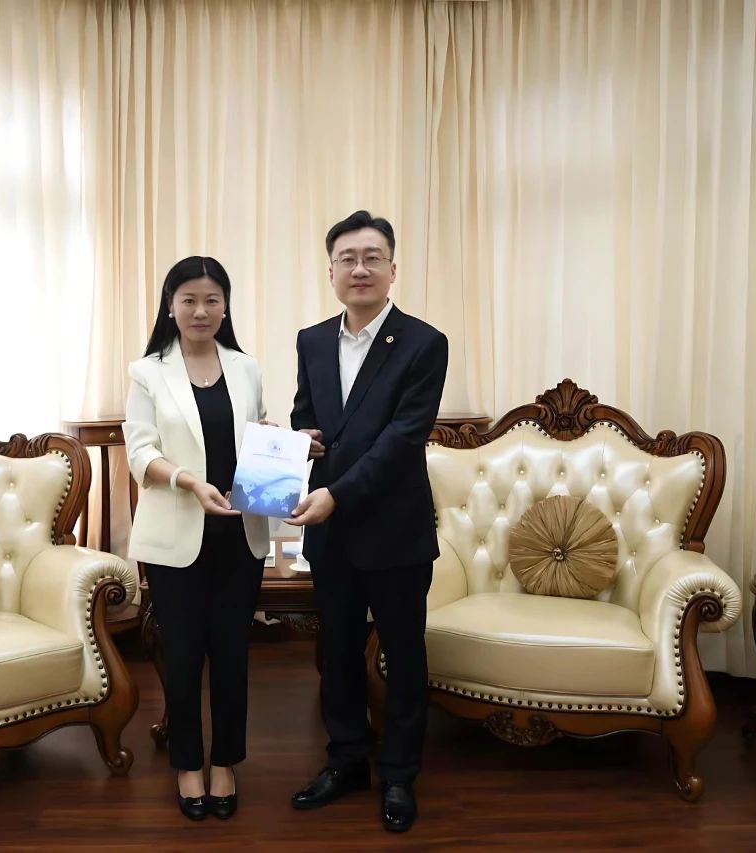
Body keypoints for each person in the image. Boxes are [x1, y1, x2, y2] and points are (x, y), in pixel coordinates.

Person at [287, 211, 448, 832]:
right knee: (338, 652)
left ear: (392, 269)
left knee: (403, 656)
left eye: (372, 257)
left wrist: (335, 494)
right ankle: (347, 760)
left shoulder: (423, 343)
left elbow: (402, 440)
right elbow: (309, 415)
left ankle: (400, 775)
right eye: (347, 258)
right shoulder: (311, 340)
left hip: (395, 530)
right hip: (332, 534)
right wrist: (300, 440)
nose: (360, 268)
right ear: (331, 271)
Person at [123, 256, 270, 822]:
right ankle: (188, 764)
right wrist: (189, 482)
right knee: (183, 657)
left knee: (232, 655)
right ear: (171, 306)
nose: (201, 310)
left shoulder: (246, 367)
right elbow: (140, 453)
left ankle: (225, 761)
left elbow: (255, 432)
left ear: (225, 307)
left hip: (240, 531)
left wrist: (279, 441)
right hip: (176, 535)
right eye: (189, 300)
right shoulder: (147, 372)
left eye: (212, 300)